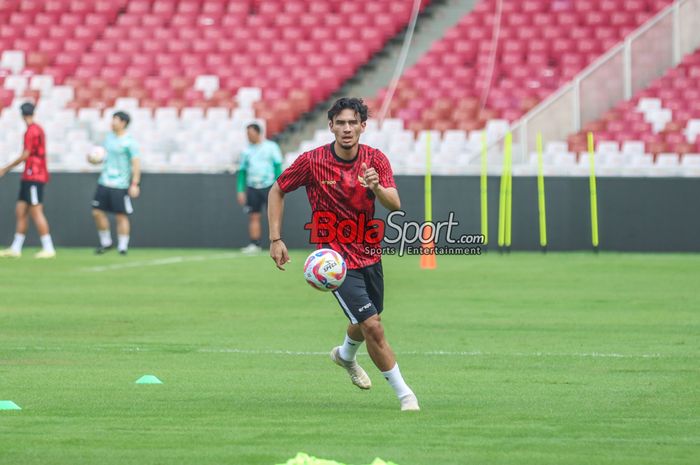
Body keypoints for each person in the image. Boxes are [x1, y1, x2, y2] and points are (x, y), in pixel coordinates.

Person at [267, 98, 420, 411]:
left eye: (353, 122)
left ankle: (345, 355)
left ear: (363, 127)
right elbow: (277, 189)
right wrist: (275, 239)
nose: (347, 128)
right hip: (334, 260)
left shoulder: (375, 159)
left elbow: (395, 204)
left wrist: (376, 187)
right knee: (373, 325)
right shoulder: (313, 161)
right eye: (341, 122)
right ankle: (406, 396)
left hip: (369, 253)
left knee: (367, 319)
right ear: (331, 126)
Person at [0, 102, 56, 259]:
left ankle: (48, 247)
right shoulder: (38, 129)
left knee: (36, 212)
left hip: (34, 175)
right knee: (21, 211)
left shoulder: (31, 131)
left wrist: (5, 168)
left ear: (22, 114)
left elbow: (26, 154)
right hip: (29, 176)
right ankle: (16, 247)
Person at [91, 111, 141, 255]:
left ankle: (123, 246)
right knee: (97, 212)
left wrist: (135, 183)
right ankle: (106, 242)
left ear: (123, 123)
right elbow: (103, 157)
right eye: (112, 119)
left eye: (116, 120)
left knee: (121, 215)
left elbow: (136, 163)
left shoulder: (130, 142)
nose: (112, 122)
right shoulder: (108, 139)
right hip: (104, 181)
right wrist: (94, 159)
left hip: (120, 184)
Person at [237, 123, 282, 253]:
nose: (248, 136)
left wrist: (279, 186)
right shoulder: (246, 151)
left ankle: (276, 242)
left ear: (258, 133)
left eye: (250, 133)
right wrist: (240, 190)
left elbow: (277, 166)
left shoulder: (271, 147)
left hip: (270, 186)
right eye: (247, 134)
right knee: (254, 216)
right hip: (252, 187)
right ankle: (255, 244)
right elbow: (242, 172)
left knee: (273, 216)